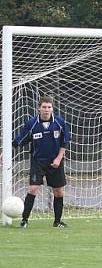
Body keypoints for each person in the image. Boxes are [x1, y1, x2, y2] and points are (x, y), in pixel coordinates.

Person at [10, 97, 70, 228]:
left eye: (49, 107)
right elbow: (20, 140)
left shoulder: (60, 122)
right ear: (39, 108)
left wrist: (59, 158)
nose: (46, 110)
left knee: (58, 192)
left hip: (55, 161)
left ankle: (57, 221)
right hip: (38, 161)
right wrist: (7, 150)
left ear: (52, 108)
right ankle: (24, 220)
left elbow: (64, 142)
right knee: (33, 189)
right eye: (44, 107)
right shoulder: (32, 124)